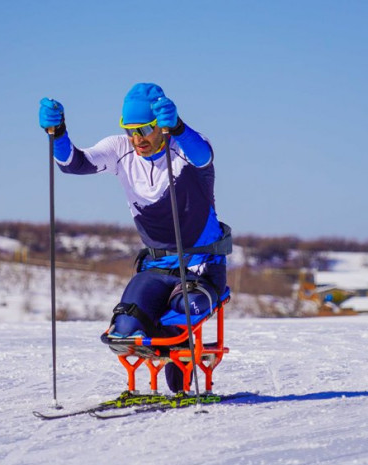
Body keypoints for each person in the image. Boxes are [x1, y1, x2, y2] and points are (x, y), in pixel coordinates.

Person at [39, 83, 231, 391]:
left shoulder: (185, 147)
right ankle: (164, 359)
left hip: (201, 267)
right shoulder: (120, 149)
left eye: (144, 129)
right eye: (130, 130)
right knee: (124, 329)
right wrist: (58, 133)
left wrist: (178, 127)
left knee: (177, 320)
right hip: (156, 268)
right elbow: (73, 164)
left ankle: (178, 361)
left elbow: (204, 156)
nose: (137, 138)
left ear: (160, 125)